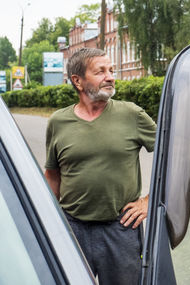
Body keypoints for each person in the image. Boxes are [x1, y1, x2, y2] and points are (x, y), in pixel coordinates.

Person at [44, 47, 156, 284]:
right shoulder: (58, 121)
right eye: (101, 71)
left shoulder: (132, 114)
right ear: (78, 81)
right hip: (72, 230)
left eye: (112, 70)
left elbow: (171, 154)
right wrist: (48, 222)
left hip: (121, 230)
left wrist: (149, 201)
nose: (111, 76)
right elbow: (53, 175)